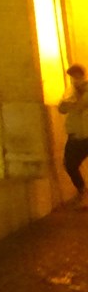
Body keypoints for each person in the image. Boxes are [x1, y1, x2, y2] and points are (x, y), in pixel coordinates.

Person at [58, 63, 88, 208]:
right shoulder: (70, 92)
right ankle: (82, 191)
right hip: (75, 134)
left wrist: (76, 104)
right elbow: (62, 108)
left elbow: (80, 106)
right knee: (69, 164)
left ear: (83, 76)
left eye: (77, 77)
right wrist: (67, 103)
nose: (74, 80)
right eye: (72, 78)